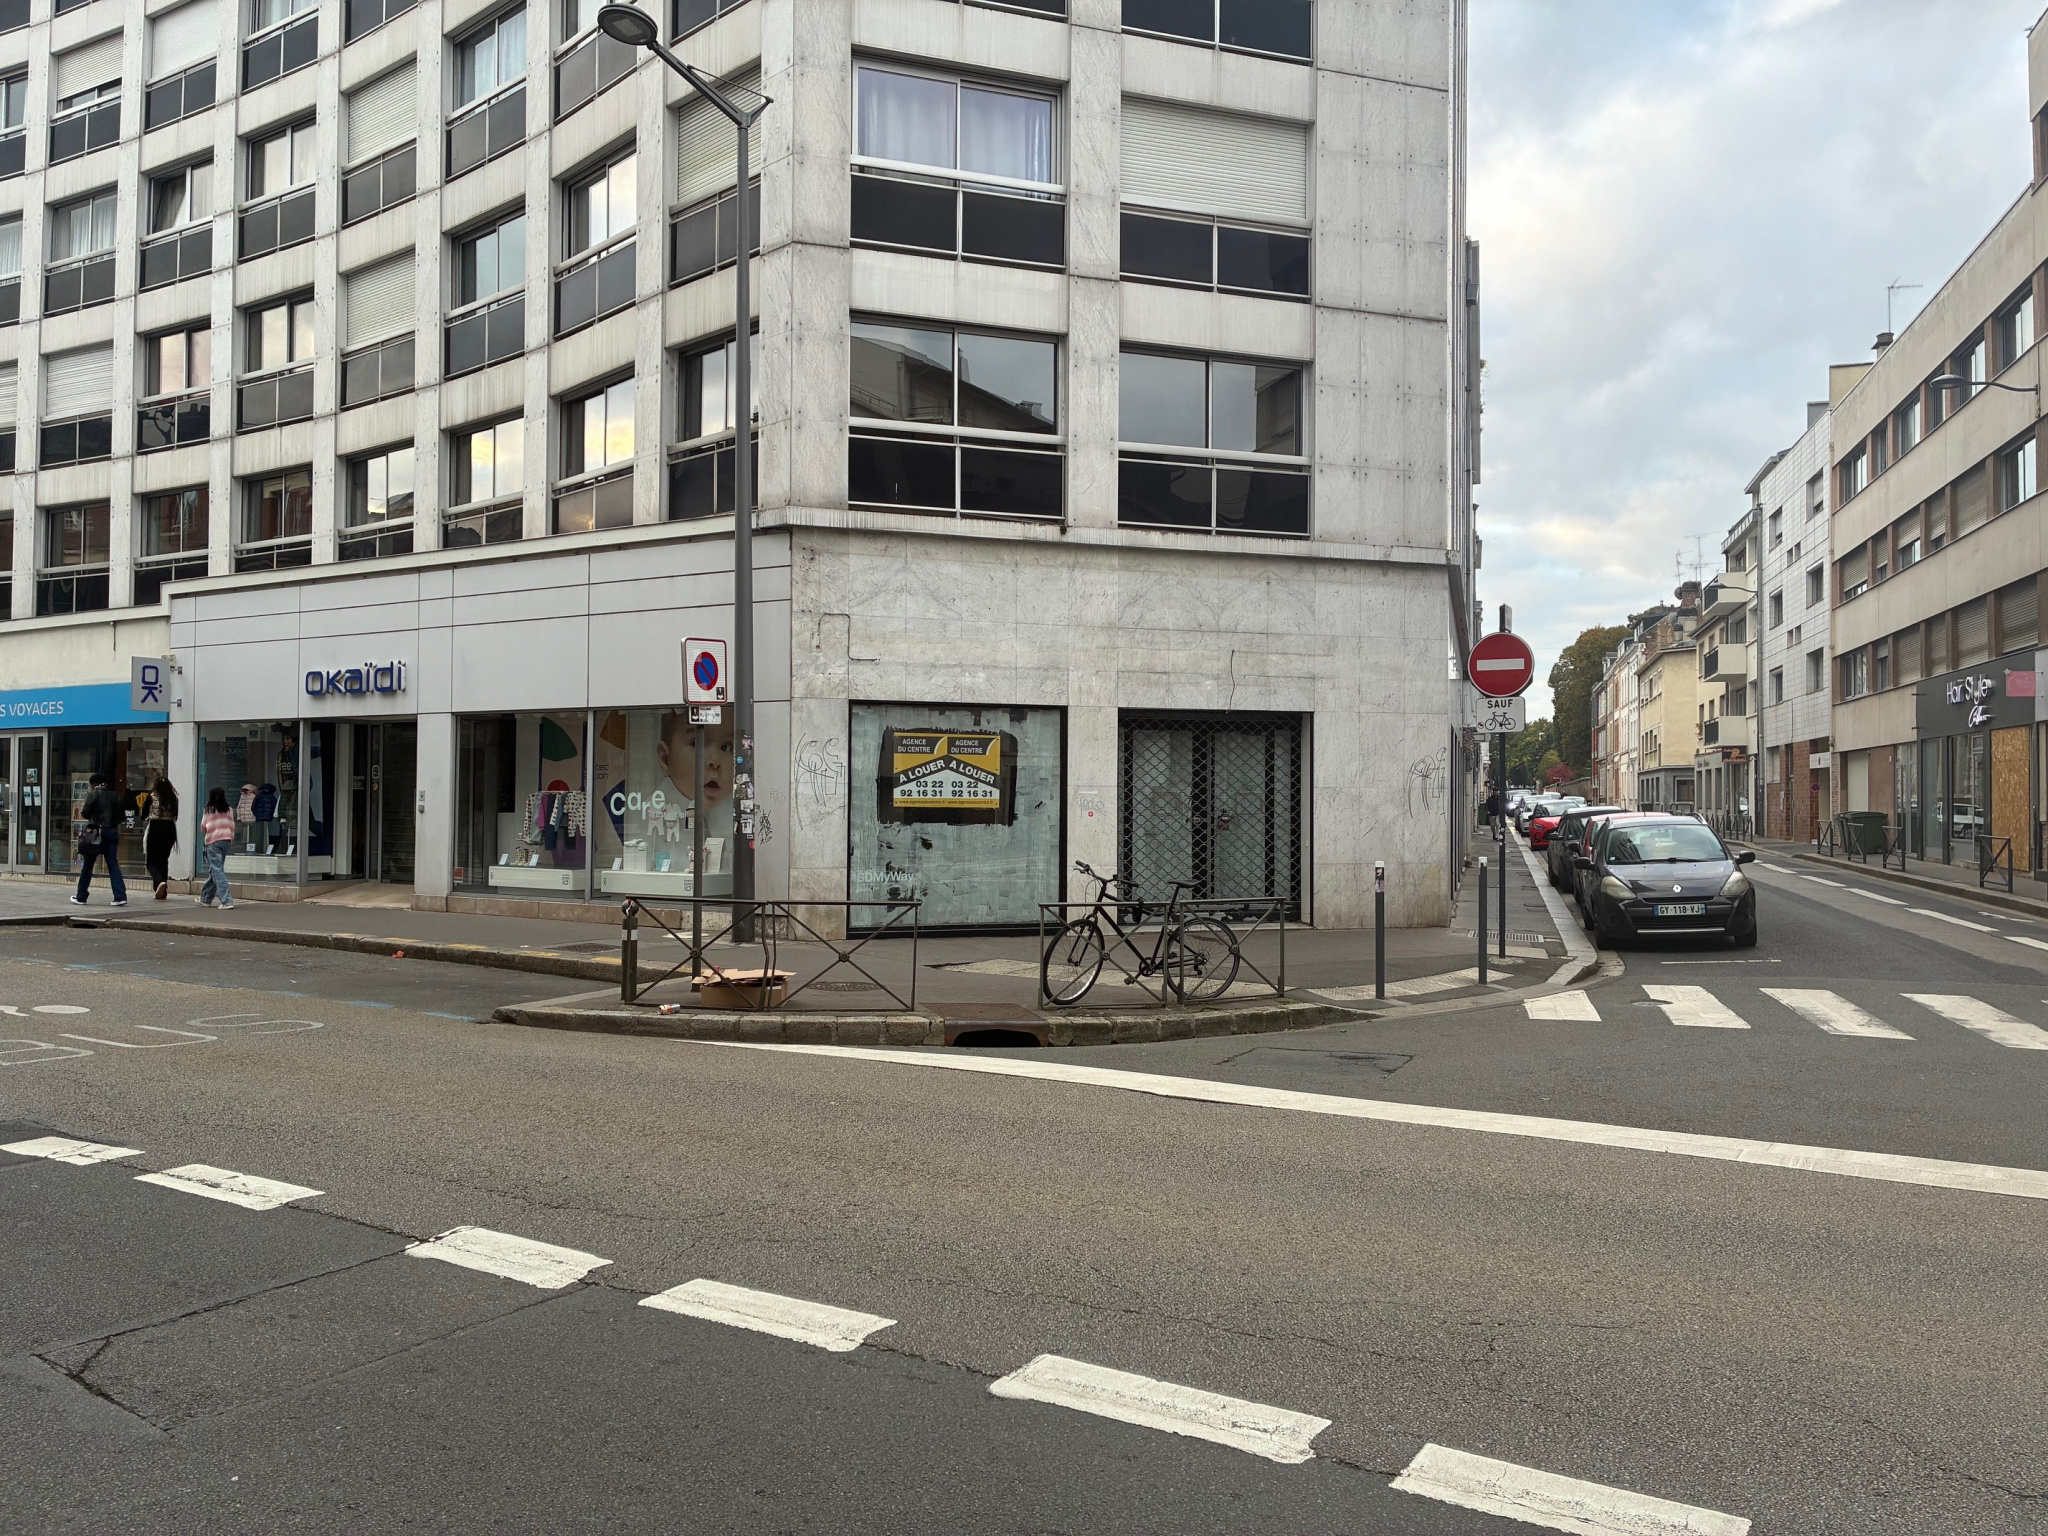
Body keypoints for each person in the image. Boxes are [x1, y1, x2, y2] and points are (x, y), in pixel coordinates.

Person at [69, 771, 128, 907]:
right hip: (112, 831)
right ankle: (120, 896)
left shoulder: (93, 794)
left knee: (88, 865)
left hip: (96, 832)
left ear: (94, 783)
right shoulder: (115, 795)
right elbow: (122, 817)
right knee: (112, 864)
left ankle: (81, 896)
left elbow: (85, 813)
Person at [143, 772, 180, 901]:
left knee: (151, 861)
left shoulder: (151, 797)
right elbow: (176, 815)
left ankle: (159, 882)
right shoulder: (173, 798)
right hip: (170, 829)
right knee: (163, 860)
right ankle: (161, 891)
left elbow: (143, 815)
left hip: (156, 828)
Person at [198, 788, 236, 909]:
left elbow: (203, 827)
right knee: (214, 869)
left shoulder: (209, 810)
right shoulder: (229, 809)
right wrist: (230, 837)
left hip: (213, 841)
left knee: (217, 870)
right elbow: (232, 825)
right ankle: (206, 898)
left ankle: (226, 900)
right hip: (226, 840)